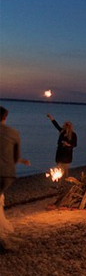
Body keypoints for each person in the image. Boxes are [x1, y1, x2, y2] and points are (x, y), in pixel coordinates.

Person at [0, 106, 30, 253]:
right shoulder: (13, 133)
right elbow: (15, 157)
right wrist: (23, 161)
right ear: (5, 117)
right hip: (8, 175)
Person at [46, 113, 77, 181]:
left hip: (67, 155)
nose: (63, 126)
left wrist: (67, 144)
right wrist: (51, 117)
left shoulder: (73, 135)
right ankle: (59, 183)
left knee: (65, 170)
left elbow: (74, 144)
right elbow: (56, 125)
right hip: (60, 154)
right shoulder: (62, 132)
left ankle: (65, 182)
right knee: (59, 170)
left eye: (65, 126)